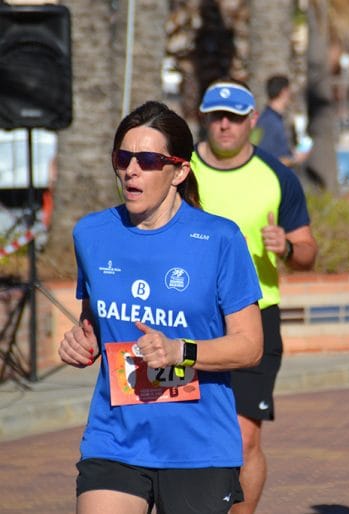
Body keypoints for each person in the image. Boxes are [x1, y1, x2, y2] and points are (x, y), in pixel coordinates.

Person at [57, 101, 264, 514]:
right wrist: (81, 343)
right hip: (114, 437)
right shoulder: (92, 234)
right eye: (123, 158)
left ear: (179, 171)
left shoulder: (220, 239)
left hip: (197, 445)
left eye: (148, 160)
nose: (132, 170)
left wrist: (180, 350)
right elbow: (94, 321)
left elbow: (250, 346)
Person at [192, 78, 318, 513]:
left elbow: (308, 252)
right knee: (191, 433)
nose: (225, 126)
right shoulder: (179, 170)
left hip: (255, 316)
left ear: (253, 120)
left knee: (245, 437)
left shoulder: (277, 176)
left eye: (235, 117)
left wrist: (287, 246)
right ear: (203, 118)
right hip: (191, 317)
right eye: (216, 117)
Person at [255, 74, 310, 168]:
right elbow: (266, 160)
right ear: (284, 92)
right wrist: (295, 159)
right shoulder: (269, 122)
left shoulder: (273, 119)